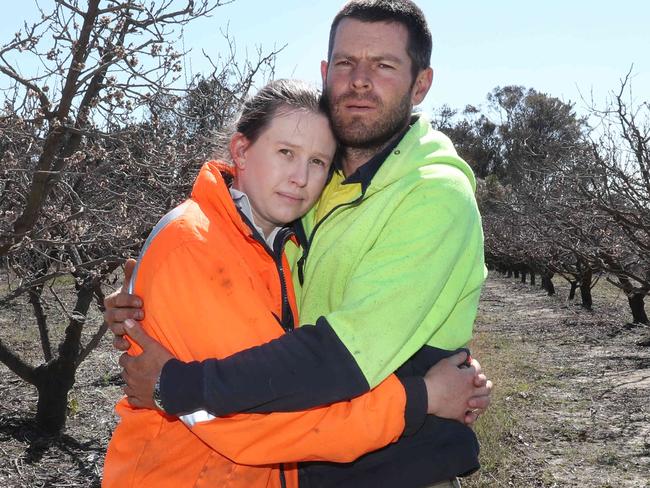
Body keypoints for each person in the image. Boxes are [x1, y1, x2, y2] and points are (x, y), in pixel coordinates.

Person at [105, 1, 491, 486]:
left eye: (385, 65)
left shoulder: (432, 195)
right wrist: (147, 301)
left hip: (398, 468)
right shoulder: (320, 192)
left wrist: (175, 384)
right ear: (327, 72)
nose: (361, 79)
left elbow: (335, 360)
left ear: (421, 84)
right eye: (347, 63)